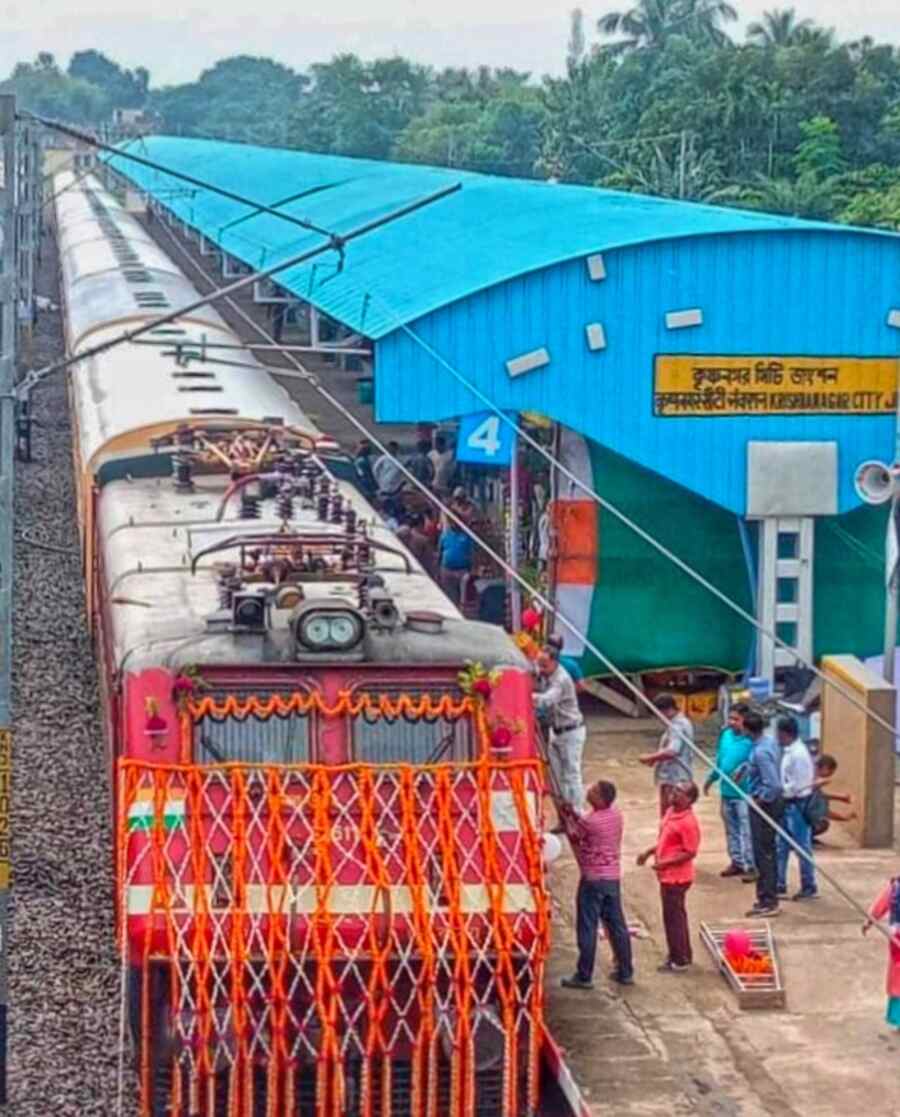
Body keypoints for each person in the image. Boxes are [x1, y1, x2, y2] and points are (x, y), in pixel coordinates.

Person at [559, 781, 634, 990]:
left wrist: (566, 819)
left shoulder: (591, 822)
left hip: (592, 878)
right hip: (611, 877)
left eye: (592, 791)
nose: (588, 792)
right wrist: (573, 814)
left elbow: (576, 835)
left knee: (588, 926)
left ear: (600, 798)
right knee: (617, 925)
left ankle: (584, 975)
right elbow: (583, 822)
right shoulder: (615, 815)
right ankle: (625, 970)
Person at [637, 782, 701, 973]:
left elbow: (690, 852)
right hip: (667, 875)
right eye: (675, 790)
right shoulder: (671, 812)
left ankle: (679, 958)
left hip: (677, 878)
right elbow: (664, 839)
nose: (674, 793)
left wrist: (665, 863)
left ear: (689, 799)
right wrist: (650, 852)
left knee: (674, 919)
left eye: (679, 792)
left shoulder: (688, 822)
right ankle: (681, 954)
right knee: (674, 917)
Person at [533, 645, 586, 823]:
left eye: (544, 665)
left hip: (571, 731)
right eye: (539, 664)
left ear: (555, 662)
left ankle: (577, 815)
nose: (540, 669)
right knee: (556, 777)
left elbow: (547, 701)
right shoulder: (547, 674)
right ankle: (564, 816)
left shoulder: (561, 679)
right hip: (556, 731)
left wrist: (526, 695)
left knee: (572, 775)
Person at [704, 703, 755, 879]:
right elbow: (720, 760)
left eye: (736, 719)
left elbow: (754, 764)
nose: (732, 722)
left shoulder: (751, 740)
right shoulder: (725, 735)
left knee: (747, 831)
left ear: (745, 721)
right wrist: (711, 779)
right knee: (731, 830)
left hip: (744, 794)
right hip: (726, 792)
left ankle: (751, 865)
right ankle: (737, 862)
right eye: (730, 718)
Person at [742, 711, 785, 918]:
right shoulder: (767, 743)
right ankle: (767, 896)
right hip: (768, 802)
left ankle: (768, 900)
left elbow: (774, 784)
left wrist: (759, 800)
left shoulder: (760, 752)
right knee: (768, 852)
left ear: (748, 730)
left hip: (765, 806)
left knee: (764, 854)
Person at [775, 715, 818, 901]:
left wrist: (781, 791)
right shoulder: (789, 751)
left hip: (797, 805)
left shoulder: (799, 754)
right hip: (788, 804)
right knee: (781, 845)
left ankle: (809, 885)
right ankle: (779, 882)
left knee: (802, 847)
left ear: (785, 734)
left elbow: (799, 784)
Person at [639, 694, 694, 817]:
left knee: (671, 815)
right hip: (674, 776)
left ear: (666, 710)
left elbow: (672, 751)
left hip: (675, 778)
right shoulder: (679, 723)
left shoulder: (678, 725)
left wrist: (650, 757)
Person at [862, 877, 900, 1031]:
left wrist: (870, 920)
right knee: (898, 981)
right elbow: (881, 904)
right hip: (898, 943)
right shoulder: (896, 887)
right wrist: (870, 920)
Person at [437, 521, 474, 605]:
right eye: (452, 523)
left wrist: (471, 569)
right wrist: (438, 570)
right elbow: (440, 551)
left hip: (462, 570)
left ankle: (461, 610)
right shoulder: (445, 535)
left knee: (462, 598)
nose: (453, 524)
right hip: (447, 569)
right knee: (449, 597)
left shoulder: (466, 536)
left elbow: (471, 554)